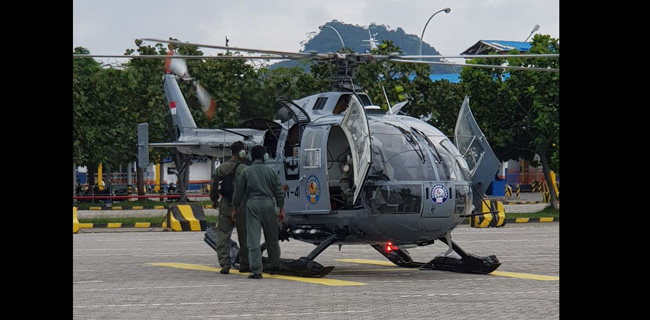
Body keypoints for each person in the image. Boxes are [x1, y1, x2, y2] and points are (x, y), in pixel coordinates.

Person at [232, 145, 285, 279]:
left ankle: (256, 270)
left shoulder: (246, 172)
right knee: (272, 237)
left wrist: (235, 208)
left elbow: (238, 192)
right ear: (265, 156)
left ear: (250, 157)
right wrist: (281, 208)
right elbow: (279, 191)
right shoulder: (271, 171)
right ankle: (274, 265)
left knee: (253, 238)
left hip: (253, 204)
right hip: (268, 204)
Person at [209, 141, 249, 275]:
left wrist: (214, 199)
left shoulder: (221, 168)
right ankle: (244, 264)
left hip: (225, 205)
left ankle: (225, 265)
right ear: (242, 153)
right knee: (245, 237)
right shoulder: (246, 169)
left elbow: (214, 185)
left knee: (223, 237)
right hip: (242, 207)